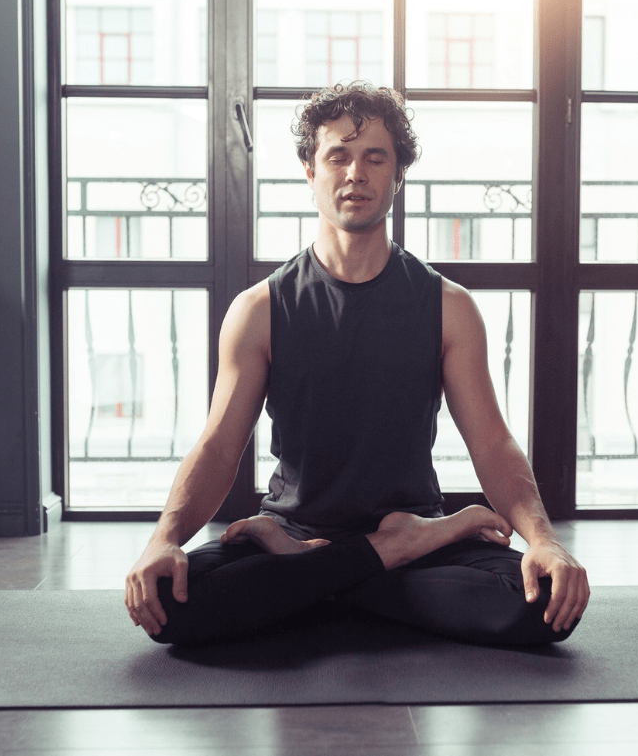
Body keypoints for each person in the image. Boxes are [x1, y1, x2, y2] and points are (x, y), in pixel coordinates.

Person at [124, 81, 589, 647]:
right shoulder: (260, 310)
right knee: (172, 605)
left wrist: (543, 540)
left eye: (375, 157)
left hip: (403, 531)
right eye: (337, 156)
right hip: (297, 528)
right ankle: (394, 550)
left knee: (536, 606)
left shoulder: (450, 308)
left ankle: (333, 571)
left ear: (399, 173)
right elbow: (220, 445)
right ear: (309, 168)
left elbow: (492, 443)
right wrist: (163, 541)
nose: (355, 173)